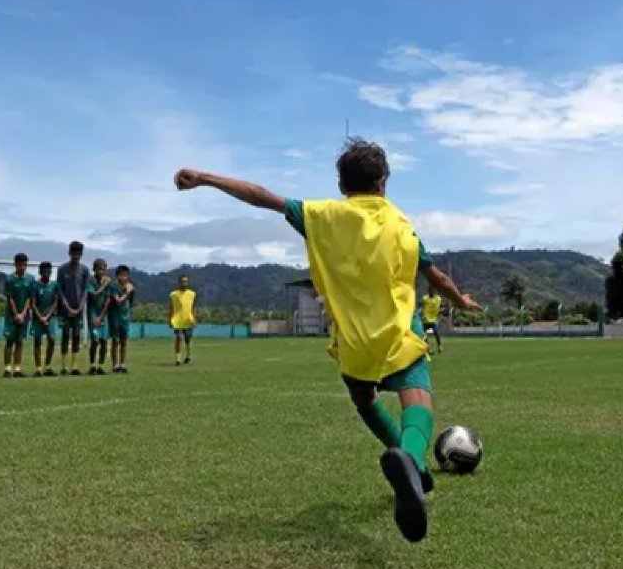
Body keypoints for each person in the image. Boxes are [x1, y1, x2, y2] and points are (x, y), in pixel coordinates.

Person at [174, 138, 480, 543]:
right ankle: (408, 455)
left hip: (352, 345)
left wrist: (205, 178)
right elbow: (434, 276)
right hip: (397, 336)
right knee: (417, 402)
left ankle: (416, 472)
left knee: (365, 400)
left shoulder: (319, 215)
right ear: (383, 181)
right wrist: (461, 299)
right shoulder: (401, 225)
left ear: (341, 184)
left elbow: (263, 196)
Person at [56, 242, 90, 376]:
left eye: (78, 254)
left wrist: (79, 307)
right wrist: (67, 307)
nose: (76, 256)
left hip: (78, 310)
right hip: (65, 310)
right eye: (74, 253)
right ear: (69, 253)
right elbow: (60, 291)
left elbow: (85, 291)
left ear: (81, 255)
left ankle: (74, 366)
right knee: (65, 335)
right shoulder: (62, 270)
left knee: (76, 336)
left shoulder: (85, 270)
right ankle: (64, 366)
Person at [2, 253, 36, 378]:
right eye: (20, 265)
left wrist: (23, 314)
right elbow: (10, 298)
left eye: (25, 265)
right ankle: (7, 369)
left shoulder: (31, 279)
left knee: (20, 341)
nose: (22, 267)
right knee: (9, 341)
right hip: (11, 316)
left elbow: (29, 298)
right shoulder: (9, 279)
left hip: (24, 315)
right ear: (15, 265)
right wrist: (16, 314)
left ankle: (17, 369)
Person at [31, 261, 59, 377]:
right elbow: (32, 303)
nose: (47, 273)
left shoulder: (54, 285)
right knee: (37, 341)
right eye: (44, 271)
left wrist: (47, 316)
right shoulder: (35, 285)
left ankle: (48, 367)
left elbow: (55, 302)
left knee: (52, 339)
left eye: (49, 271)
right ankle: (38, 368)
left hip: (50, 317)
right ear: (40, 272)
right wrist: (40, 317)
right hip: (38, 318)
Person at [87, 258, 112, 375]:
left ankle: (100, 367)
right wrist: (102, 286)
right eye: (99, 269)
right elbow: (94, 296)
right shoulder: (91, 280)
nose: (102, 272)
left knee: (103, 341)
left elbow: (108, 300)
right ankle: (92, 366)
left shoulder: (107, 281)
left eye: (104, 269)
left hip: (103, 315)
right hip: (92, 313)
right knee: (95, 341)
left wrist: (101, 317)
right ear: (94, 269)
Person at [108, 265, 135, 374]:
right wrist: (127, 293)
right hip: (115, 317)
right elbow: (118, 300)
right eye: (121, 275)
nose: (123, 278)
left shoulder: (130, 286)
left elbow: (131, 302)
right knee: (115, 341)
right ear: (117, 276)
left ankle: (122, 364)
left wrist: (130, 292)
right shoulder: (114, 286)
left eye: (125, 275)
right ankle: (115, 365)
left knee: (124, 341)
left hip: (125, 317)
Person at [169, 276, 197, 366]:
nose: (184, 283)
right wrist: (169, 319)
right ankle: (178, 360)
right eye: (182, 282)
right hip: (177, 320)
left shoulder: (192, 294)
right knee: (178, 338)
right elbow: (171, 308)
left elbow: (193, 307)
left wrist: (194, 318)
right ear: (179, 283)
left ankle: (188, 356)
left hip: (188, 319)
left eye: (186, 282)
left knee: (188, 339)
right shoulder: (173, 294)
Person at [421, 286, 444, 355]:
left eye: (433, 290)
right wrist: (422, 315)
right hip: (425, 319)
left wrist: (440, 313)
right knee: (424, 335)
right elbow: (422, 307)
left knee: (436, 333)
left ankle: (439, 346)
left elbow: (439, 308)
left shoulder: (438, 299)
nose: (432, 292)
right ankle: (428, 349)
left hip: (433, 320)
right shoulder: (425, 298)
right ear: (428, 291)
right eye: (430, 290)